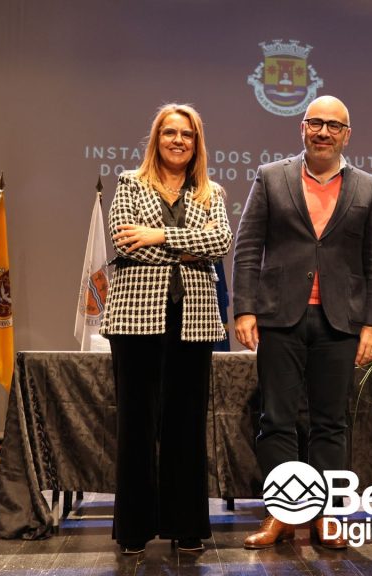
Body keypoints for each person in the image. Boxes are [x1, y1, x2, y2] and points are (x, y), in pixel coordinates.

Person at [232, 95, 372, 550]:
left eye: (334, 126)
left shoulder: (368, 187)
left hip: (341, 322)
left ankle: (326, 515)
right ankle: (282, 514)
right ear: (302, 128)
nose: (324, 132)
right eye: (315, 123)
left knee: (331, 423)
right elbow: (248, 245)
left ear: (347, 135)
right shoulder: (271, 176)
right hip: (280, 317)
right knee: (277, 420)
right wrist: (245, 308)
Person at [99, 103, 232, 554]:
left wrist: (158, 235)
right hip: (136, 319)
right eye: (170, 133)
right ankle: (134, 528)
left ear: (197, 144)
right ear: (156, 139)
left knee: (186, 424)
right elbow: (126, 243)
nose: (178, 140)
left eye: (187, 134)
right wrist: (188, 250)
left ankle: (186, 524)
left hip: (192, 319)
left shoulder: (212, 192)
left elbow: (220, 242)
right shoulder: (130, 184)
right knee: (136, 423)